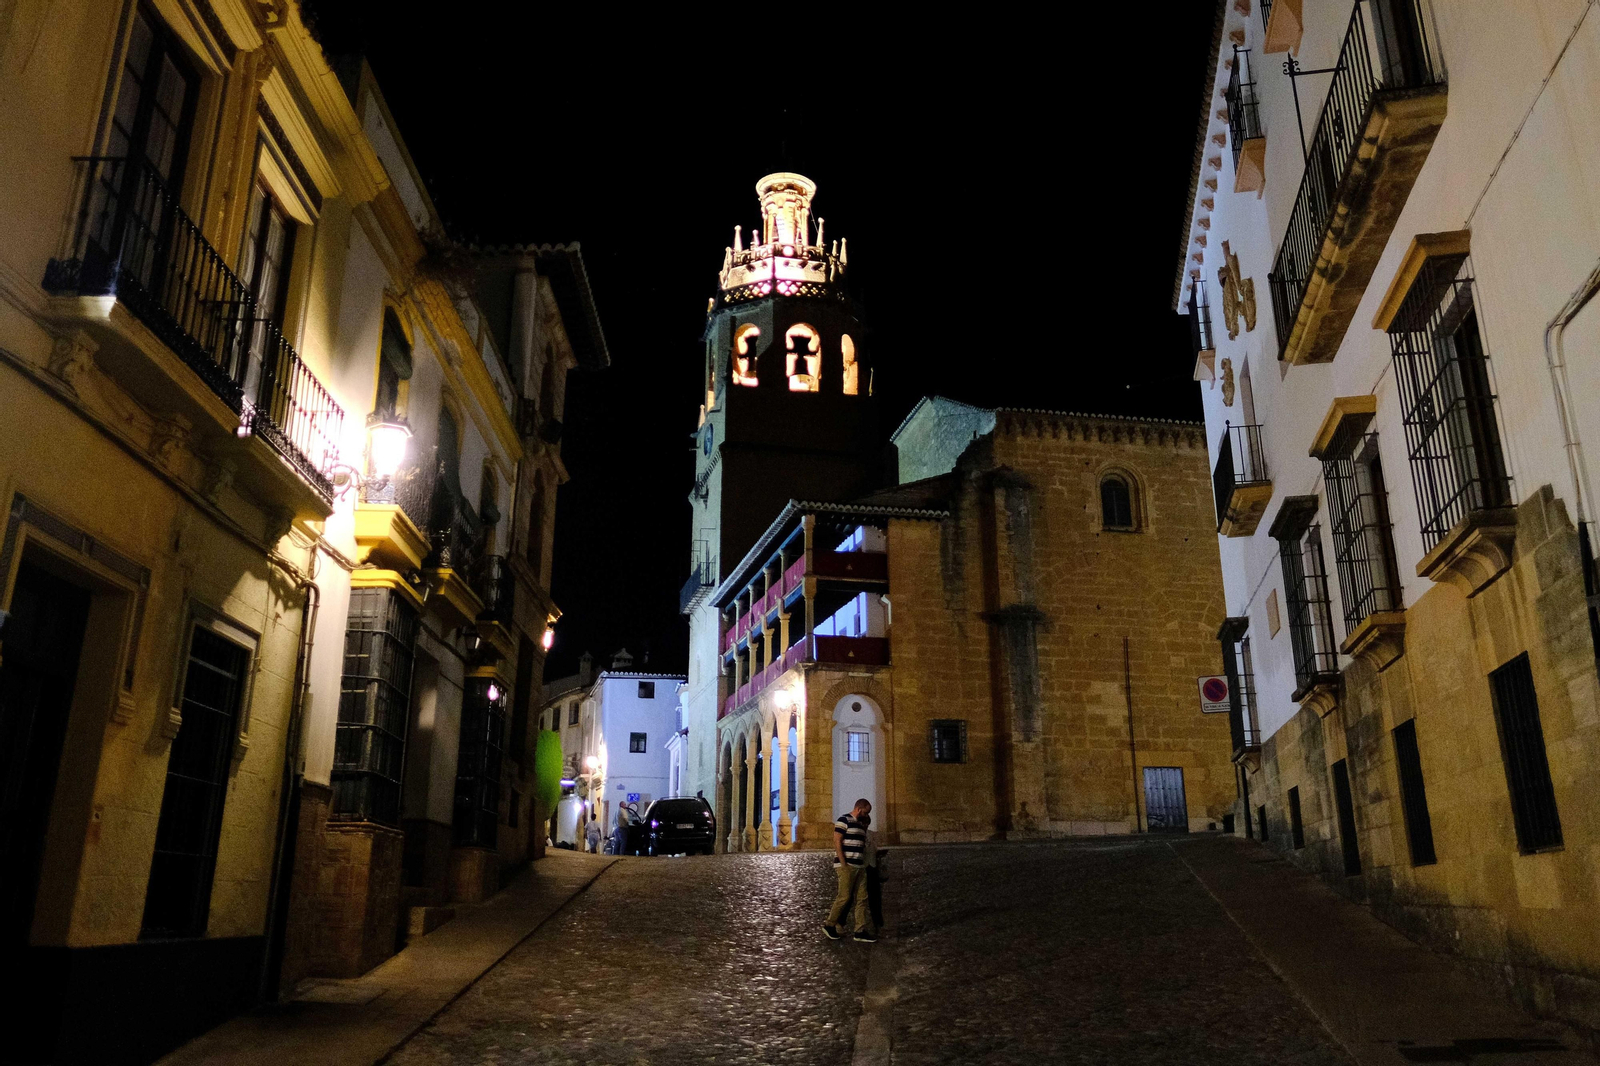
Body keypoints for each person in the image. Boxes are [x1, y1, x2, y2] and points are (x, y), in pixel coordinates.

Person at [822, 798, 876, 943]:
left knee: (862, 898)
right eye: (866, 812)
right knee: (844, 897)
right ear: (859, 808)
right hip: (847, 866)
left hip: (859, 866)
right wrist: (843, 863)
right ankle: (829, 924)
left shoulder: (861, 825)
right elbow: (837, 840)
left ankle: (860, 930)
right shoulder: (843, 820)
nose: (867, 815)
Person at [861, 813, 887, 932]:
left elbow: (875, 848)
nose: (865, 825)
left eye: (867, 823)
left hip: (872, 867)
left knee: (875, 896)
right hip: (862, 868)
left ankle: (877, 921)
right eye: (863, 823)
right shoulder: (857, 834)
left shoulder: (871, 834)